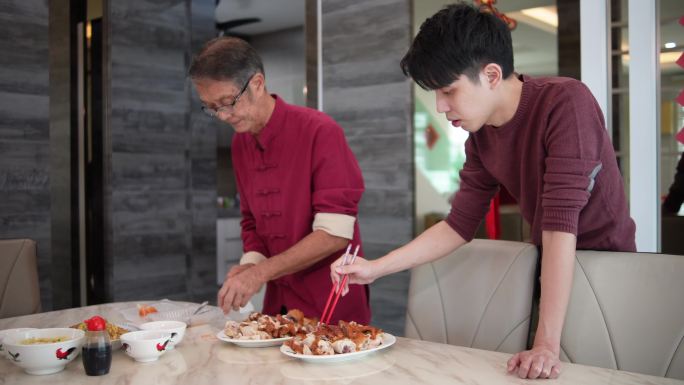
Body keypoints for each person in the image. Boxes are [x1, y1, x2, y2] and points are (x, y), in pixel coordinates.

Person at [331, 3, 635, 380]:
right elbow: (458, 226)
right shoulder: (480, 138)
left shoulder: (566, 102)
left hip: (609, 270)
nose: (441, 106)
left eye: (448, 91)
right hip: (551, 263)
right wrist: (376, 268)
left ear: (491, 75)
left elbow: (559, 224)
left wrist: (545, 343)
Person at [189, 37, 370, 324]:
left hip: (331, 304)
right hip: (280, 307)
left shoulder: (320, 131)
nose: (223, 116)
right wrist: (248, 267)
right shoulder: (241, 143)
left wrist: (260, 273)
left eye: (228, 102)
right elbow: (251, 222)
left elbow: (335, 234)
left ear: (258, 83)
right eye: (211, 107)